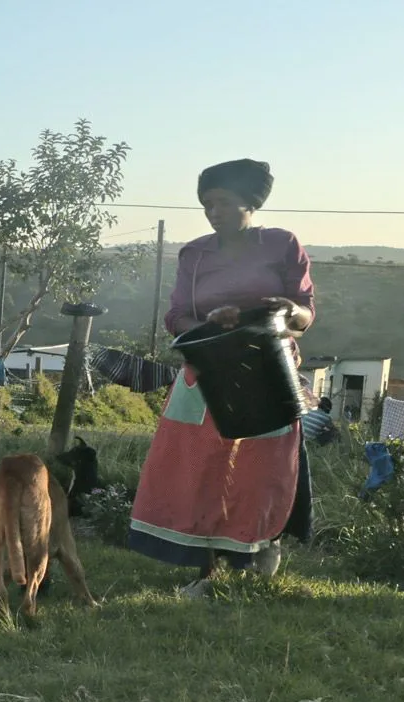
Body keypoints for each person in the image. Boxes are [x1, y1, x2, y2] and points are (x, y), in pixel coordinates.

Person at [128, 159, 315, 596]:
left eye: (223, 202)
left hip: (267, 372)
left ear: (251, 202)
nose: (214, 212)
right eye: (207, 204)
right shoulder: (195, 253)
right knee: (198, 469)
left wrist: (287, 311)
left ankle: (259, 550)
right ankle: (205, 570)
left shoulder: (282, 244)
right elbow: (176, 315)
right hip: (206, 370)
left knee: (260, 470)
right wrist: (208, 321)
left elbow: (305, 312)